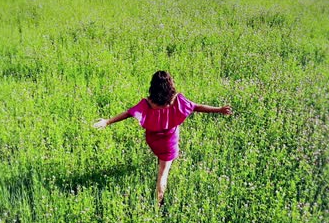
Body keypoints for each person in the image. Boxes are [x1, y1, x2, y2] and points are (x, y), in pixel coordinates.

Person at [93, 71, 232, 205]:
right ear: (170, 84)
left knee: (162, 158)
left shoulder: (148, 102)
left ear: (153, 86)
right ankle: (157, 204)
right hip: (168, 144)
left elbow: (128, 113)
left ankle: (163, 159)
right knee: (163, 174)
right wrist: (219, 110)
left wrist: (107, 121)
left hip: (153, 141)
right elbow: (196, 107)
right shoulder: (176, 99)